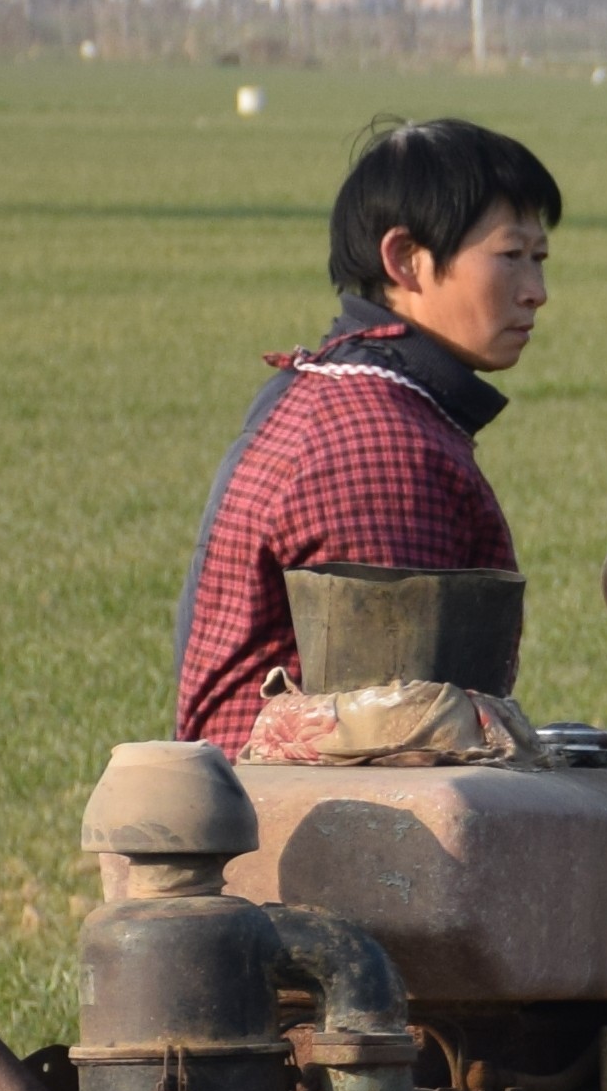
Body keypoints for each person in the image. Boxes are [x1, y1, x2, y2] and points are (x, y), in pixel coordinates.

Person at [171, 117, 561, 746]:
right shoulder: (375, 443)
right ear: (405, 260)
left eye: (539, 258)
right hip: (295, 827)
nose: (536, 291)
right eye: (510, 256)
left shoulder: (351, 394)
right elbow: (400, 734)